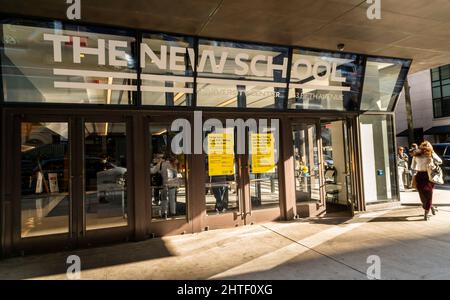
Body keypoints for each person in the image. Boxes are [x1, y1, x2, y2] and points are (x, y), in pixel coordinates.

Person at [411, 141, 442, 220]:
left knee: (428, 195)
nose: (425, 148)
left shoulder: (431, 154)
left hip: (429, 176)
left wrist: (433, 154)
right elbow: (413, 166)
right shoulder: (416, 155)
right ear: (421, 147)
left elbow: (440, 161)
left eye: (427, 146)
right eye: (424, 146)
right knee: (422, 196)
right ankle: (431, 207)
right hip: (419, 176)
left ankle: (426, 213)